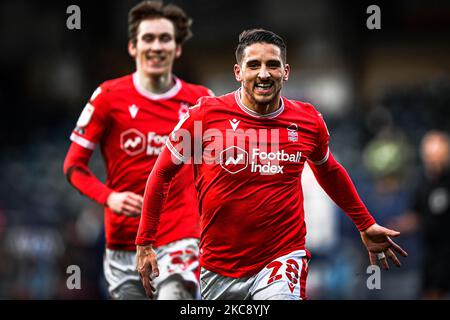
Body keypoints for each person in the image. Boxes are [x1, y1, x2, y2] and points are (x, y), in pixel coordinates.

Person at [135, 29, 408, 300]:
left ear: (285, 71)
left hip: (282, 259)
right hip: (219, 267)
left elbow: (329, 171)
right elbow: (161, 174)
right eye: (253, 65)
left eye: (272, 65)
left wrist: (364, 223)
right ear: (238, 72)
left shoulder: (307, 122)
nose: (263, 73)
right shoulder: (204, 117)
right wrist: (145, 242)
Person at [63, 1, 213, 299]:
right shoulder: (107, 97)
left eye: (165, 38)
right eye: (148, 38)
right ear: (133, 47)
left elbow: (216, 170)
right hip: (123, 242)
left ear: (177, 48)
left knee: (176, 293)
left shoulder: (202, 102)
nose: (156, 46)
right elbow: (73, 167)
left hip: (180, 237)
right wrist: (110, 198)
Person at [391, 131, 450, 299]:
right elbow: (416, 214)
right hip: (430, 254)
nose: (434, 161)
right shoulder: (421, 182)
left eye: (438, 155)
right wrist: (399, 225)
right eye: (430, 156)